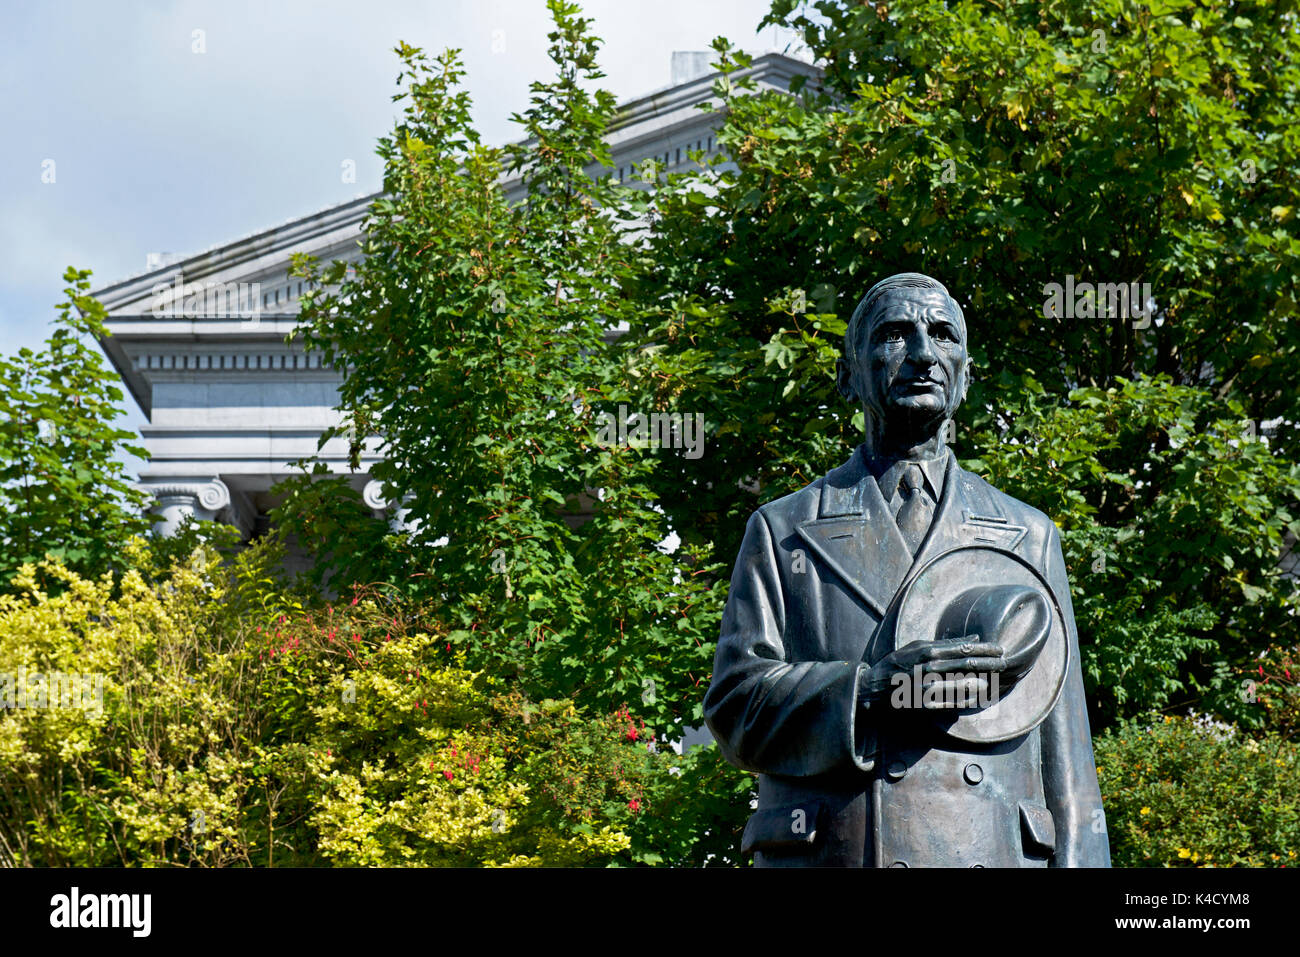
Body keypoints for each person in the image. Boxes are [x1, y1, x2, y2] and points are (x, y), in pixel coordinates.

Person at [703, 272, 1110, 867]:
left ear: (966, 375)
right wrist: (869, 689)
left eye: (943, 336)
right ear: (848, 375)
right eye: (895, 335)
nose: (923, 355)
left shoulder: (1028, 533)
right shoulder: (782, 528)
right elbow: (736, 705)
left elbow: (1069, 762)